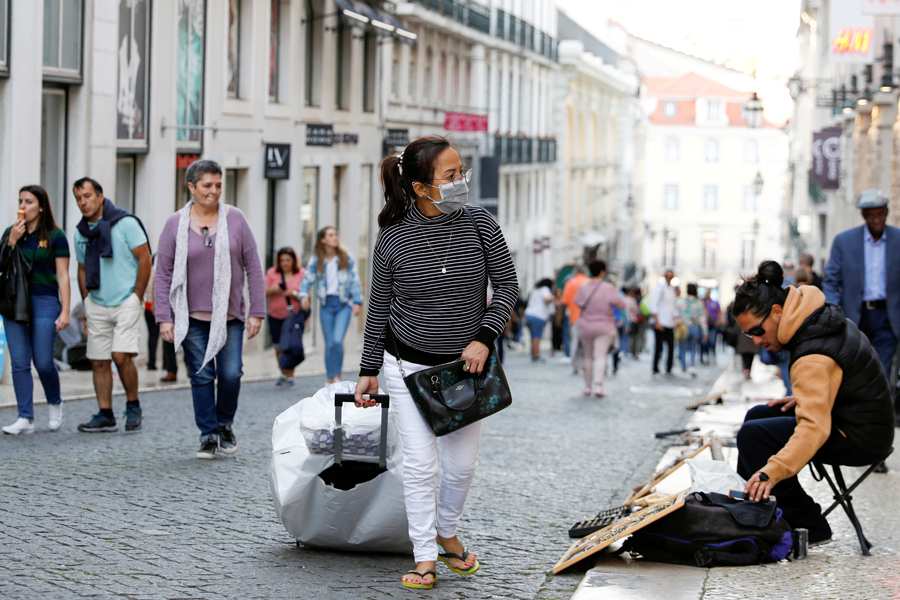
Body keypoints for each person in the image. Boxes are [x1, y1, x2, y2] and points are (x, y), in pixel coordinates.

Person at [355, 136, 517, 589]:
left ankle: (448, 532)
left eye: (461, 172)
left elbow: (506, 286)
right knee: (422, 467)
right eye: (450, 176)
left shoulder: (481, 223)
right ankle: (424, 556)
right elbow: (379, 309)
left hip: (466, 370)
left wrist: (485, 338)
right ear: (422, 188)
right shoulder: (394, 238)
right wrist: (369, 371)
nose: (461, 182)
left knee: (462, 467)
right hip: (407, 368)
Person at [733, 260, 893, 545]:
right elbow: (844, 375)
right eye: (748, 335)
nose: (756, 341)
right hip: (860, 420)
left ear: (778, 312)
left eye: (757, 331)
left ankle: (807, 524)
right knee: (759, 414)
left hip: (861, 437)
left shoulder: (811, 355)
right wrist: (808, 397)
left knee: (753, 436)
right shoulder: (816, 318)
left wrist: (771, 471)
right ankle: (768, 511)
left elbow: (814, 429)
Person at [155, 160, 265, 460]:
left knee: (231, 374)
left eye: (218, 185)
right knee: (202, 376)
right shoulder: (174, 224)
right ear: (191, 187)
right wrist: (164, 317)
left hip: (230, 316)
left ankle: (224, 423)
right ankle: (208, 434)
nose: (214, 191)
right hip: (191, 316)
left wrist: (257, 311)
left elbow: (253, 267)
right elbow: (163, 272)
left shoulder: (236, 219)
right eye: (207, 185)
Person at [72, 177, 151, 433]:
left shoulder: (126, 223)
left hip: (126, 299)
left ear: (100, 196)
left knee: (121, 356)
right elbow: (82, 268)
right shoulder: (80, 231)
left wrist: (136, 296)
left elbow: (145, 258)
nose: (83, 202)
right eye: (79, 198)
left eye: (87, 196)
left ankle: (133, 405)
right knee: (98, 361)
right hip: (96, 301)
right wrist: (86, 299)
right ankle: (105, 414)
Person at [1, 186, 71, 435]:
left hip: (44, 299)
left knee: (42, 361)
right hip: (14, 301)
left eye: (28, 201)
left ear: (40, 206)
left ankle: (54, 401)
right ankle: (25, 417)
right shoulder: (11, 232)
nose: (23, 206)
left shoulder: (56, 235)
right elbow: (1, 265)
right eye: (20, 201)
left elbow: (63, 275)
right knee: (19, 362)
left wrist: (65, 311)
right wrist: (11, 242)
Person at [823, 189, 900, 382]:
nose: (876, 220)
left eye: (880, 214)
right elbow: (831, 281)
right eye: (871, 216)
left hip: (888, 318)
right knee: (855, 372)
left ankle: (881, 410)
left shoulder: (898, 240)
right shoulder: (844, 242)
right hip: (854, 316)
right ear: (863, 216)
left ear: (887, 212)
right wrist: (835, 311)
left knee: (882, 374)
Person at [298, 227, 363, 384]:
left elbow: (355, 279)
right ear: (323, 240)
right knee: (329, 344)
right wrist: (303, 295)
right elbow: (307, 279)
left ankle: (338, 376)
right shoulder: (316, 260)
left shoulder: (346, 257)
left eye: (335, 234)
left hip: (343, 305)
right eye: (331, 235)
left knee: (337, 341)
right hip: (326, 305)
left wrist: (357, 301)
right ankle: (330, 379)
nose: (335, 237)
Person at [573, 260, 625, 397]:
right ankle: (599, 386)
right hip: (604, 326)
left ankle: (587, 386)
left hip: (586, 326)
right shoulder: (608, 288)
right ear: (602, 272)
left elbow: (577, 302)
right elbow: (620, 304)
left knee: (588, 356)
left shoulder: (583, 287)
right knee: (600, 356)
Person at [266, 247, 305, 387]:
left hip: (293, 317)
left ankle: (290, 376)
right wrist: (273, 289)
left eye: (288, 260)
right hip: (275, 315)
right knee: (278, 348)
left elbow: (307, 295)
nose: (285, 263)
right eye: (282, 260)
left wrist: (292, 293)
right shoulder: (272, 273)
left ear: (293, 260)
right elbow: (263, 291)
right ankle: (283, 372)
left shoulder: (301, 273)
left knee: (291, 346)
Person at [649, 270, 677, 377]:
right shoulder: (659, 288)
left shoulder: (671, 289)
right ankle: (655, 368)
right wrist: (657, 322)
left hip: (669, 322)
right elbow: (654, 305)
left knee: (671, 347)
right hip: (661, 321)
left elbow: (672, 306)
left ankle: (668, 368)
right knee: (659, 347)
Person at [561, 266, 588, 373]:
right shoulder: (589, 282)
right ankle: (586, 364)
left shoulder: (570, 283)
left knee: (575, 342)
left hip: (574, 316)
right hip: (588, 317)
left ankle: (575, 365)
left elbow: (565, 301)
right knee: (586, 343)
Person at [524, 279, 554, 362]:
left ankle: (533, 354)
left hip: (529, 314)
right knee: (537, 337)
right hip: (539, 315)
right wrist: (554, 299)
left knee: (533, 336)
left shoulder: (535, 290)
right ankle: (536, 356)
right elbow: (546, 299)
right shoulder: (545, 289)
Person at [700, 290, 720, 365]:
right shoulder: (702, 302)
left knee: (712, 340)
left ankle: (713, 356)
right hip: (704, 325)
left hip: (713, 325)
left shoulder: (715, 303)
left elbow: (719, 312)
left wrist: (718, 321)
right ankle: (704, 356)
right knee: (704, 341)